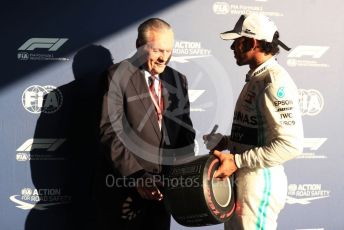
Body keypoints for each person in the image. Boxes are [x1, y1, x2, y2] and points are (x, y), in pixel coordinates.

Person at [203, 14, 304, 230]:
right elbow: (257, 136)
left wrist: (237, 161)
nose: (232, 48)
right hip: (244, 182)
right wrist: (227, 143)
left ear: (252, 42)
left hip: (259, 183)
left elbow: (290, 145)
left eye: (237, 41)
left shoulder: (274, 82)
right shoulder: (257, 77)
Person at [98, 18, 195, 230]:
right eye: (158, 51)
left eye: (169, 51)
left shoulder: (179, 80)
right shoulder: (117, 75)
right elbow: (109, 132)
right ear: (139, 47)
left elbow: (185, 132)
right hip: (126, 189)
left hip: (164, 193)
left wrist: (183, 176)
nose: (164, 58)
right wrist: (138, 177)